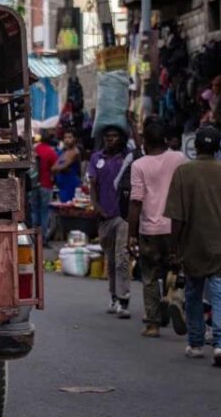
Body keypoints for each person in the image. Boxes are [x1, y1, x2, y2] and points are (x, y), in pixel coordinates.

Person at [164, 125, 221, 368]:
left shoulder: (184, 172)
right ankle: (220, 344)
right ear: (217, 147)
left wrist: (173, 249)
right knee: (220, 293)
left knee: (193, 293)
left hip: (193, 245)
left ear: (196, 146)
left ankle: (197, 343)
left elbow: (176, 217)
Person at [127, 121, 186, 338]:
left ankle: (152, 324)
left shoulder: (139, 165)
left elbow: (135, 202)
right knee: (176, 268)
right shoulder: (179, 158)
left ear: (146, 143)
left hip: (149, 230)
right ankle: (172, 297)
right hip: (176, 227)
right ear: (165, 140)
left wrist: (131, 235)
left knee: (150, 276)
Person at [88, 125, 131, 319]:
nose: (110, 140)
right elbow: (93, 186)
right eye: (107, 137)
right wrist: (96, 207)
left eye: (114, 136)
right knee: (111, 259)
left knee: (122, 257)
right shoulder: (96, 158)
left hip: (123, 216)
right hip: (104, 215)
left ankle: (124, 299)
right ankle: (114, 296)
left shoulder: (127, 158)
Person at [31, 131, 58, 241]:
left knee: (34, 210)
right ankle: (43, 239)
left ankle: (33, 237)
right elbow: (55, 169)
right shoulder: (51, 152)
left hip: (34, 185)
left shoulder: (35, 149)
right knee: (45, 212)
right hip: (46, 185)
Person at [51, 128, 81, 202]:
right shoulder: (63, 152)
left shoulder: (75, 152)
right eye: (65, 137)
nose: (67, 140)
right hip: (61, 186)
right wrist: (58, 168)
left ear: (75, 139)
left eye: (69, 137)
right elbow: (53, 168)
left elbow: (62, 167)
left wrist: (58, 168)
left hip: (71, 184)